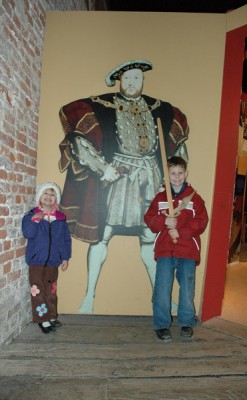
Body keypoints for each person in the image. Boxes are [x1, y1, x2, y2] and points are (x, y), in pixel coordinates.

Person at [58, 59, 189, 313]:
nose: (132, 83)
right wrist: (103, 168)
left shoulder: (159, 108)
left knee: (149, 238)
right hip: (118, 177)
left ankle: (160, 300)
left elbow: (179, 146)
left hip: (149, 176)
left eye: (137, 78)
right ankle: (89, 298)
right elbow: (78, 135)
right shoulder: (102, 104)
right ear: (119, 80)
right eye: (127, 78)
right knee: (102, 235)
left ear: (143, 80)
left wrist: (172, 176)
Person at [144, 156, 208, 342]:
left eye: (180, 173)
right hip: (165, 249)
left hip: (187, 249)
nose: (177, 177)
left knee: (187, 288)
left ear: (186, 173)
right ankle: (162, 324)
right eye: (173, 174)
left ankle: (186, 321)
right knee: (162, 288)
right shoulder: (160, 198)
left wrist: (181, 231)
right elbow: (149, 219)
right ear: (167, 175)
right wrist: (164, 220)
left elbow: (201, 222)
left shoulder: (195, 199)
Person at [22, 182, 72, 334]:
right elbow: (28, 234)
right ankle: (41, 319)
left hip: (52, 263)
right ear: (39, 197)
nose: (49, 197)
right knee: (38, 292)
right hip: (36, 262)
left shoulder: (61, 219)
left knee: (51, 291)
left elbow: (65, 240)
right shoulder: (31, 215)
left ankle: (51, 316)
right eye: (46, 194)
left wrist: (65, 258)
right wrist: (36, 220)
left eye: (52, 194)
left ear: (56, 198)